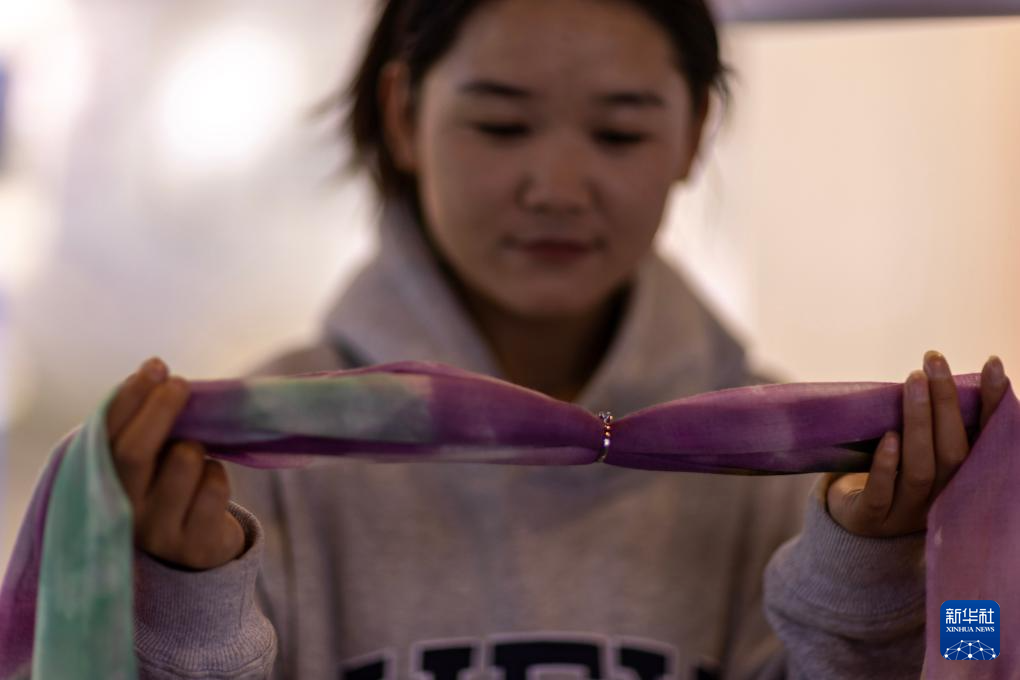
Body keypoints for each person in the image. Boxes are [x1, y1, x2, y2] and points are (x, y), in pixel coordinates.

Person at [101, 0, 1011, 678]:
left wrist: (872, 572)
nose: (559, 187)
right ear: (403, 113)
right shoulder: (246, 464)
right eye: (501, 125)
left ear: (695, 133)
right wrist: (180, 597)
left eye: (620, 132)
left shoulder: (799, 472)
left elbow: (968, 645)